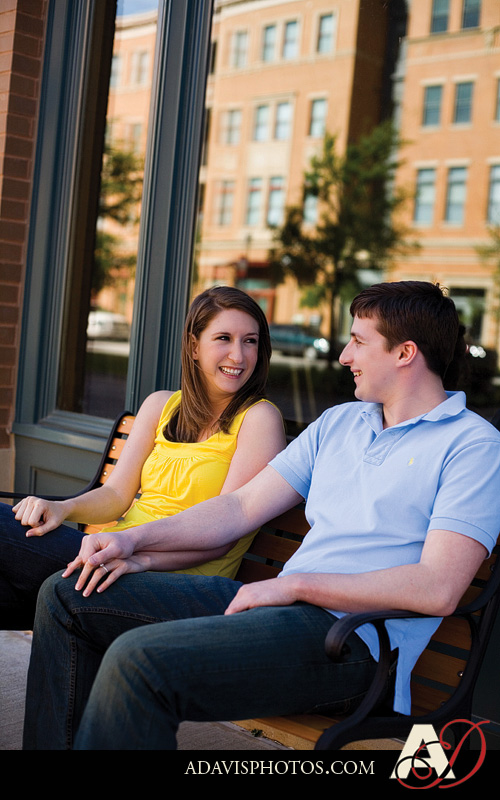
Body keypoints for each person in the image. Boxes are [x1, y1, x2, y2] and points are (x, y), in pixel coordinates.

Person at [23, 281, 500, 751]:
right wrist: (133, 541)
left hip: (352, 642)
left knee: (139, 659)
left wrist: (294, 586)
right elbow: (240, 506)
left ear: (405, 353)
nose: (344, 357)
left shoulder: (473, 447)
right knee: (67, 594)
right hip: (277, 611)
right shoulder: (341, 422)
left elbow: (437, 587)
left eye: (358, 341)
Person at [0, 286, 285, 630]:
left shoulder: (259, 419)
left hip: (175, 584)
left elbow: (223, 535)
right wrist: (63, 509)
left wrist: (138, 557)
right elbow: (116, 495)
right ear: (194, 347)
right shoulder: (161, 405)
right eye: (224, 338)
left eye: (250, 341)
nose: (238, 355)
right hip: (116, 556)